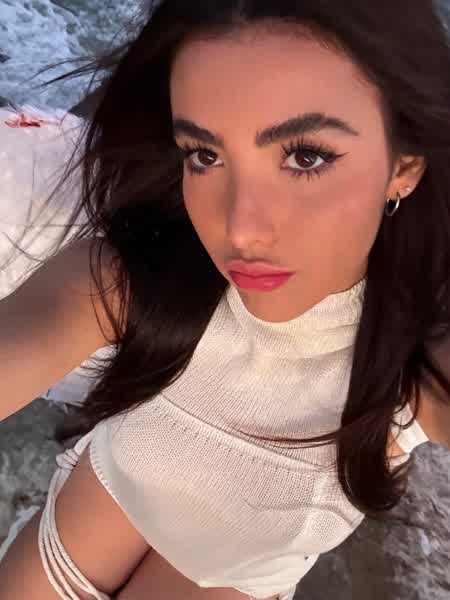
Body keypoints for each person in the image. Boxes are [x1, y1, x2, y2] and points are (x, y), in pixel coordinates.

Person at [0, 1, 449, 599]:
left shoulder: (416, 365)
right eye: (204, 155)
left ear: (405, 167)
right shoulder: (131, 281)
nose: (241, 230)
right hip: (76, 537)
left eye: (305, 156)